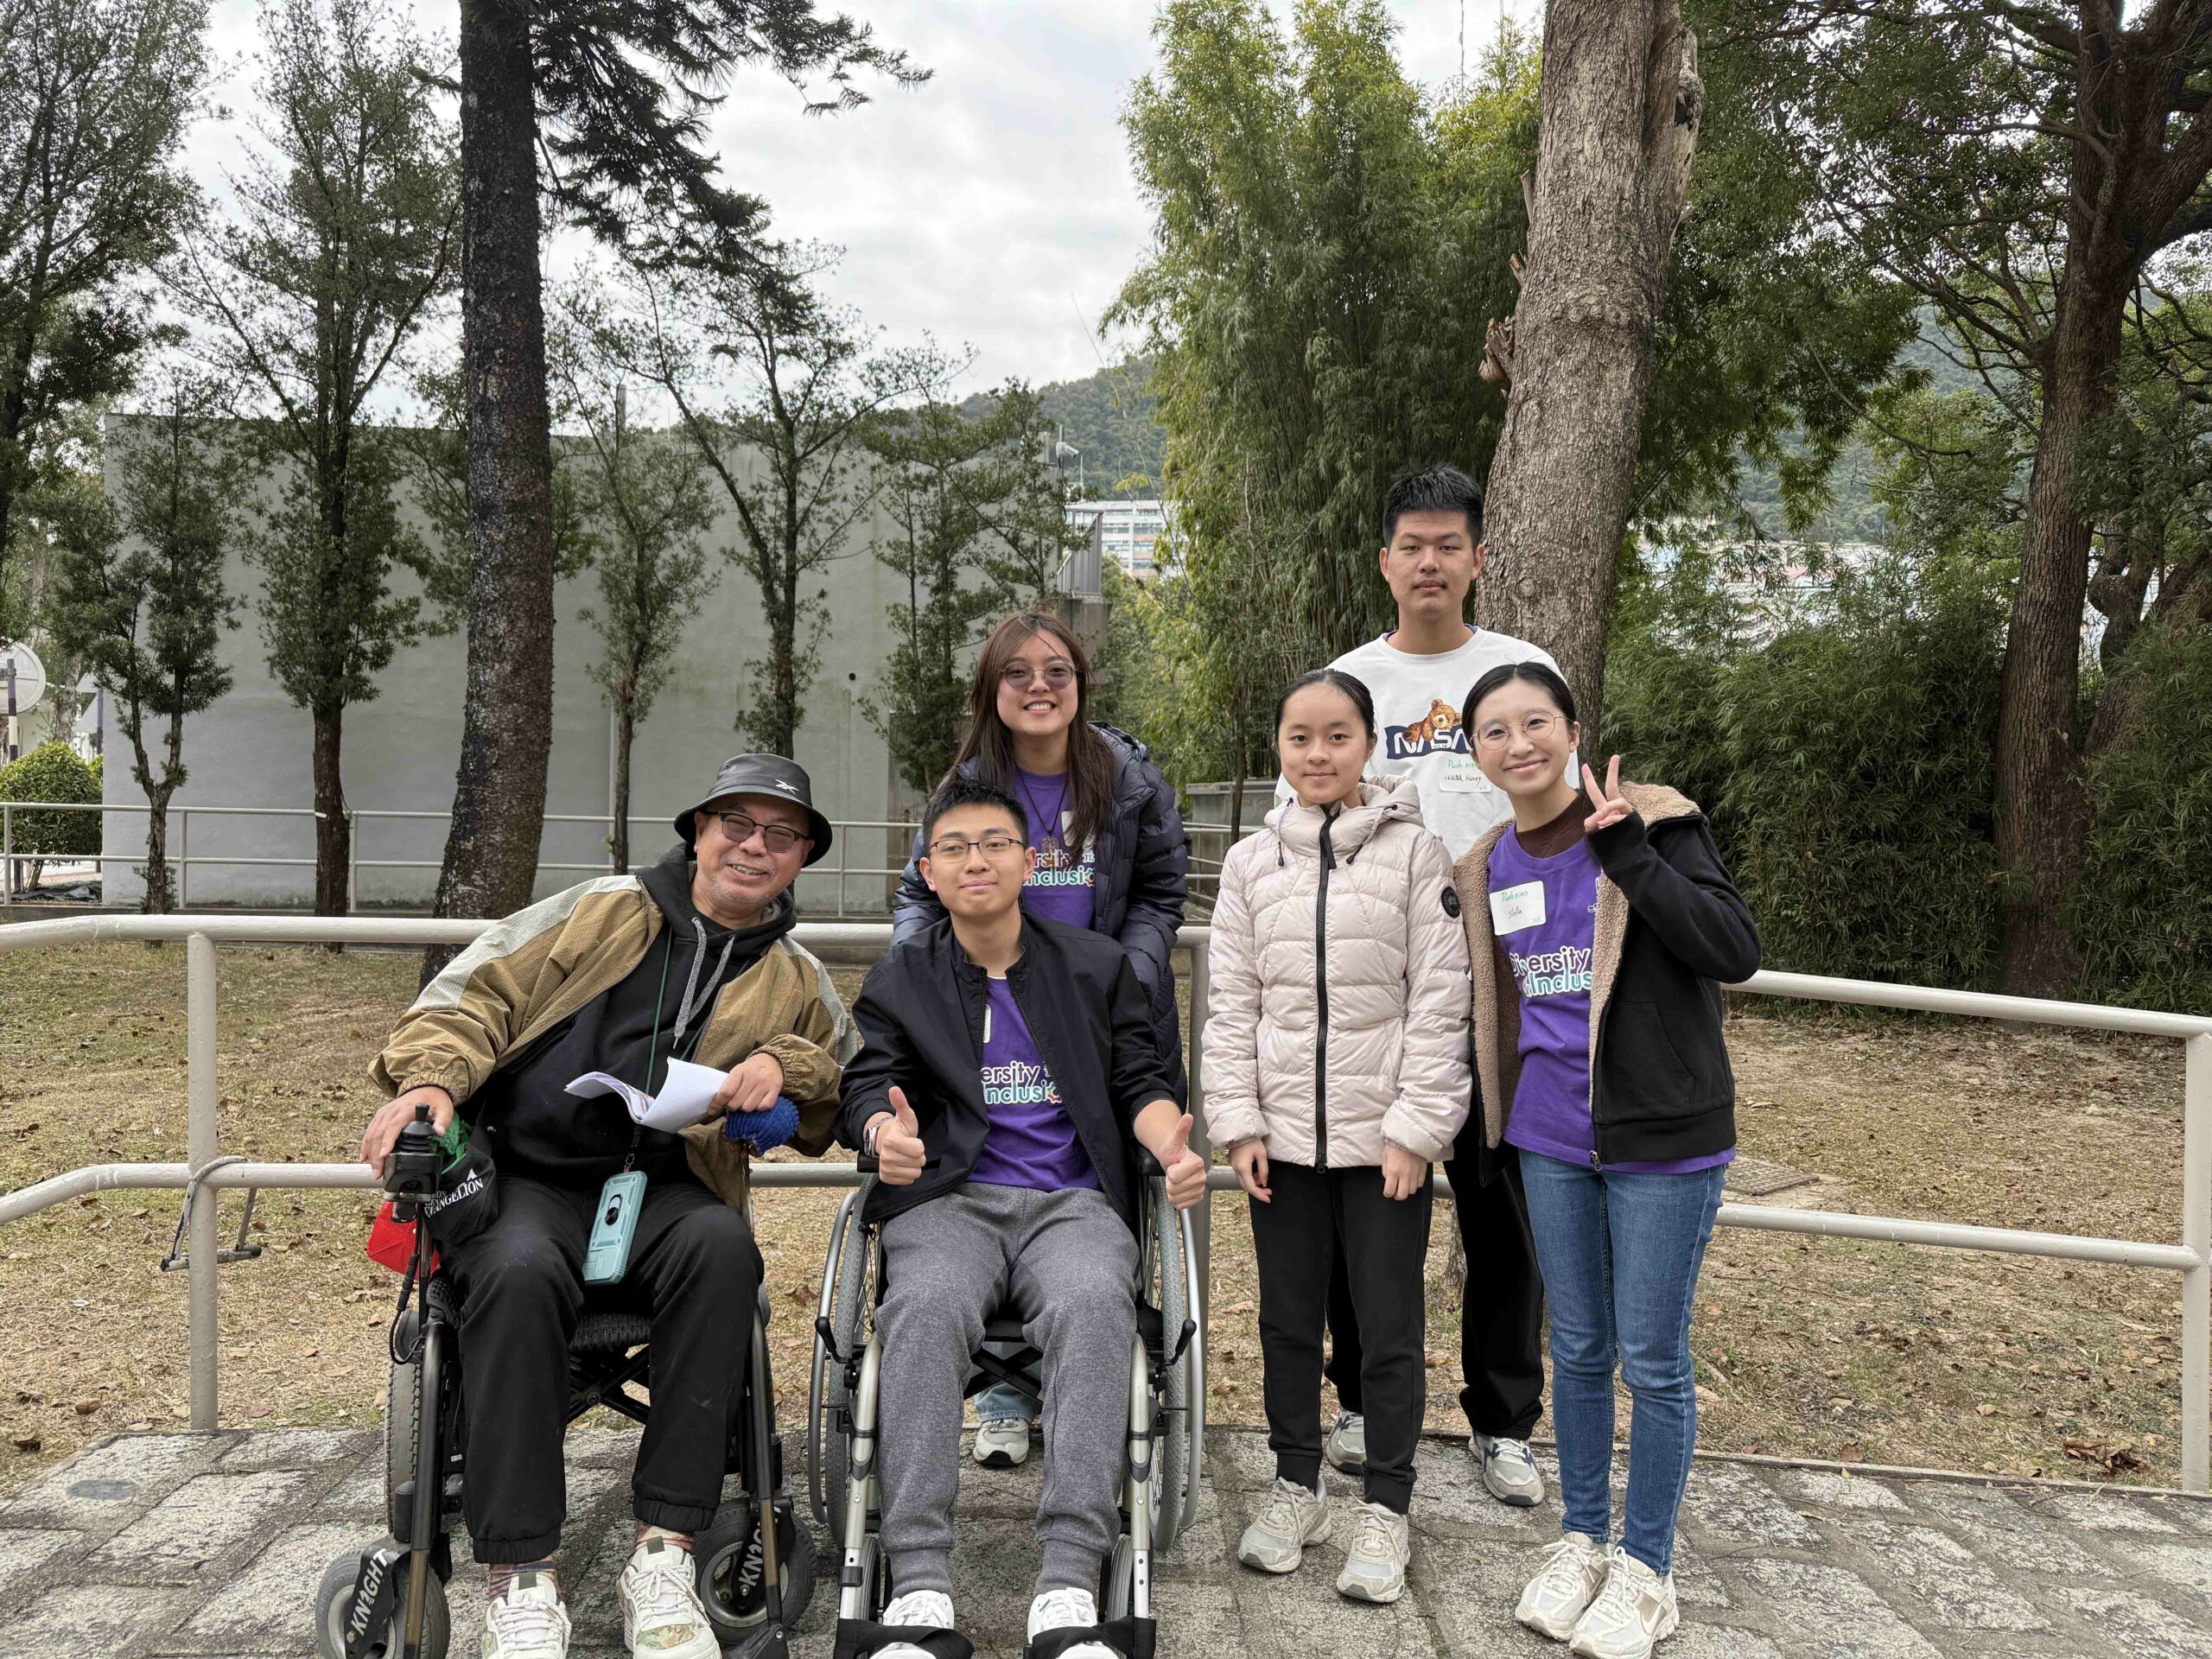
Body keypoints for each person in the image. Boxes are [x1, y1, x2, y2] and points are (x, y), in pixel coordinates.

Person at [359, 754, 857, 1659]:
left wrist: (785, 1068)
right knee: (511, 1269)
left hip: (668, 1188)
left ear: (800, 859)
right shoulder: (598, 910)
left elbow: (840, 1072)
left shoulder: (797, 973)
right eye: (734, 825)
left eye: (780, 835)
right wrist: (431, 1080)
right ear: (697, 833)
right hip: (533, 1177)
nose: (753, 846)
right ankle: (523, 1578)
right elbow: (470, 996)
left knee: (723, 1252)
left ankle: (663, 1551)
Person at [843, 777, 1208, 1659]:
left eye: (996, 843)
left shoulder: (1092, 965)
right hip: (948, 1201)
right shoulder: (903, 975)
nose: (977, 860)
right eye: (956, 847)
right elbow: (868, 1083)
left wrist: (1170, 1145)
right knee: (922, 1309)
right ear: (929, 872)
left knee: (1093, 1305)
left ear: (1030, 862)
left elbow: (1140, 1082)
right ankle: (920, 1584)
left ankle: (1069, 1585)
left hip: (1071, 1202)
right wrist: (884, 1131)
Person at [1453, 663, 1758, 1659]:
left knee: (1654, 1361)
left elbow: (1730, 948)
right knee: (1578, 1352)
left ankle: (1646, 1571)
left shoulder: (1656, 821)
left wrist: (1628, 854)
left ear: (1573, 728)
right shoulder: (1485, 863)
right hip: (1548, 1140)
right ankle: (1582, 1539)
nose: (1518, 744)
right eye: (1493, 731)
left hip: (1661, 1139)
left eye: (1534, 722)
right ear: (1476, 755)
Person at [1288, 463, 1559, 1508]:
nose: (1431, 562)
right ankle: (1357, 1398)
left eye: (1451, 544)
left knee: (1503, 1212)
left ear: (1478, 558)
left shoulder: (1522, 670)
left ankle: (1503, 1422)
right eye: (1413, 545)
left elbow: (1552, 810)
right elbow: (1311, 823)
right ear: (1386, 560)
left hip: (1501, 978)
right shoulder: (1348, 681)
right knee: (1369, 1200)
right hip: (1379, 986)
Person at [891, 608, 1189, 1471]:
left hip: (1100, 1012)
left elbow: (1161, 891)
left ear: (1079, 685)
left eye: (1055, 670)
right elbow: (919, 893)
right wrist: (924, 976)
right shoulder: (965, 785)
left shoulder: (1127, 781)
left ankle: (1084, 1385)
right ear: (992, 691)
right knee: (989, 1163)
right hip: (986, 1004)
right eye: (1016, 673)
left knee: (1087, 1186)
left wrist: (1123, 971)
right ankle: (1005, 1395)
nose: (1038, 687)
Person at [1209, 669, 1472, 1605]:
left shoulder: (1413, 854)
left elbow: (1441, 1004)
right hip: (1279, 1142)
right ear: (1277, 750)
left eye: (1336, 737)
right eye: (1298, 738)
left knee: (1388, 1328)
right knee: (1286, 1321)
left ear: (1369, 745)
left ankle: (1387, 1507)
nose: (1316, 755)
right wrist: (1236, 1121)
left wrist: (1415, 1129)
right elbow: (1230, 1007)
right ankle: (1294, 1484)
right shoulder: (1251, 865)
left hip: (1382, 1148)